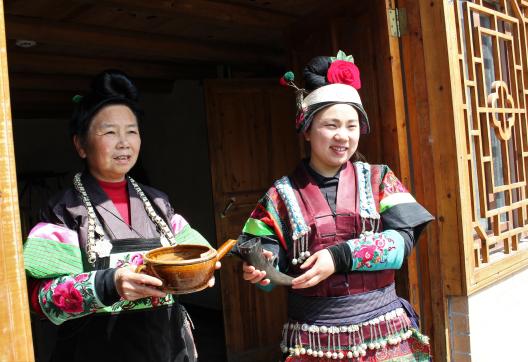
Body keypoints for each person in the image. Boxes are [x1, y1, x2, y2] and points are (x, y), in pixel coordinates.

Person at [238, 52, 434, 361]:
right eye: (331, 125)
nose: (343, 135)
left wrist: (339, 256)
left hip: (383, 335)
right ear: (307, 129)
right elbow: (266, 256)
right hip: (313, 338)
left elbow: (402, 243)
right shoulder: (280, 194)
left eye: (352, 126)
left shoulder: (380, 178)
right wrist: (263, 268)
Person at [23, 70, 218, 362]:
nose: (124, 142)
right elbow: (40, 301)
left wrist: (200, 274)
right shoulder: (64, 210)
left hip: (165, 345)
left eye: (132, 131)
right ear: (80, 144)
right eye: (109, 132)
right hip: (95, 349)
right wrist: (109, 285)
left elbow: (200, 257)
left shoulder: (159, 203)